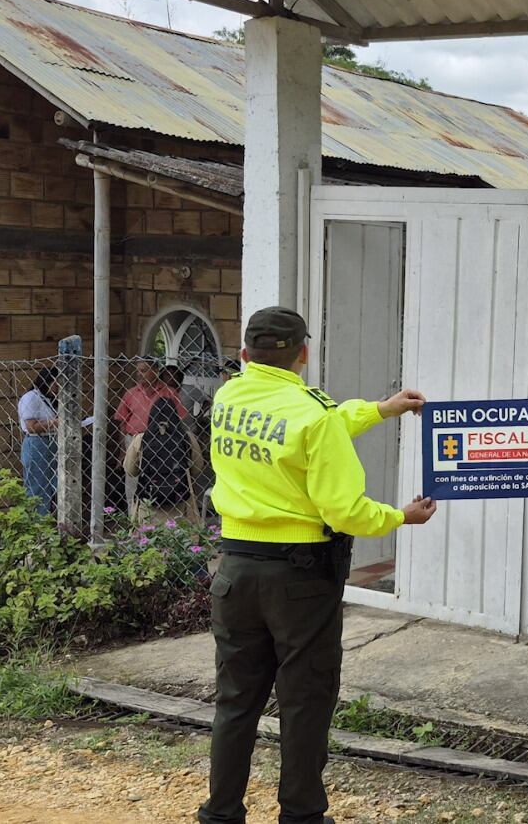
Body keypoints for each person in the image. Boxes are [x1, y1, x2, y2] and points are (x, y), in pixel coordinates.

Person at [198, 306, 437, 824]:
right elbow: (345, 509)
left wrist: (380, 409)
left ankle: (220, 814)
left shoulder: (229, 397)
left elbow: (309, 428)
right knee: (304, 703)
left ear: (244, 354)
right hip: (299, 579)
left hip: (236, 569)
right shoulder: (311, 414)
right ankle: (302, 815)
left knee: (236, 701)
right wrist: (400, 516)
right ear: (303, 353)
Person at [125, 373, 205, 525]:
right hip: (180, 503)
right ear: (175, 415)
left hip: (148, 505)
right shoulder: (186, 437)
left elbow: (130, 470)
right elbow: (197, 468)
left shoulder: (141, 439)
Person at [116, 358, 189, 512]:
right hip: (135, 440)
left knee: (160, 480)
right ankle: (134, 519)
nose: (139, 374)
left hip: (162, 442)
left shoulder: (169, 393)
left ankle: (161, 518)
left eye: (143, 370)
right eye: (138, 371)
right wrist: (123, 449)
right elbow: (122, 422)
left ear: (155, 371)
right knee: (132, 482)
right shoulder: (131, 393)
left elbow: (179, 419)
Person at [17, 367, 59, 515]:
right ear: (48, 382)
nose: (58, 388)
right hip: (37, 443)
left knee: (54, 485)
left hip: (52, 443)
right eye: (56, 383)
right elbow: (32, 426)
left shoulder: (48, 399)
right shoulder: (31, 397)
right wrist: (55, 423)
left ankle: (50, 520)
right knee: (38, 486)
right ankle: (37, 524)